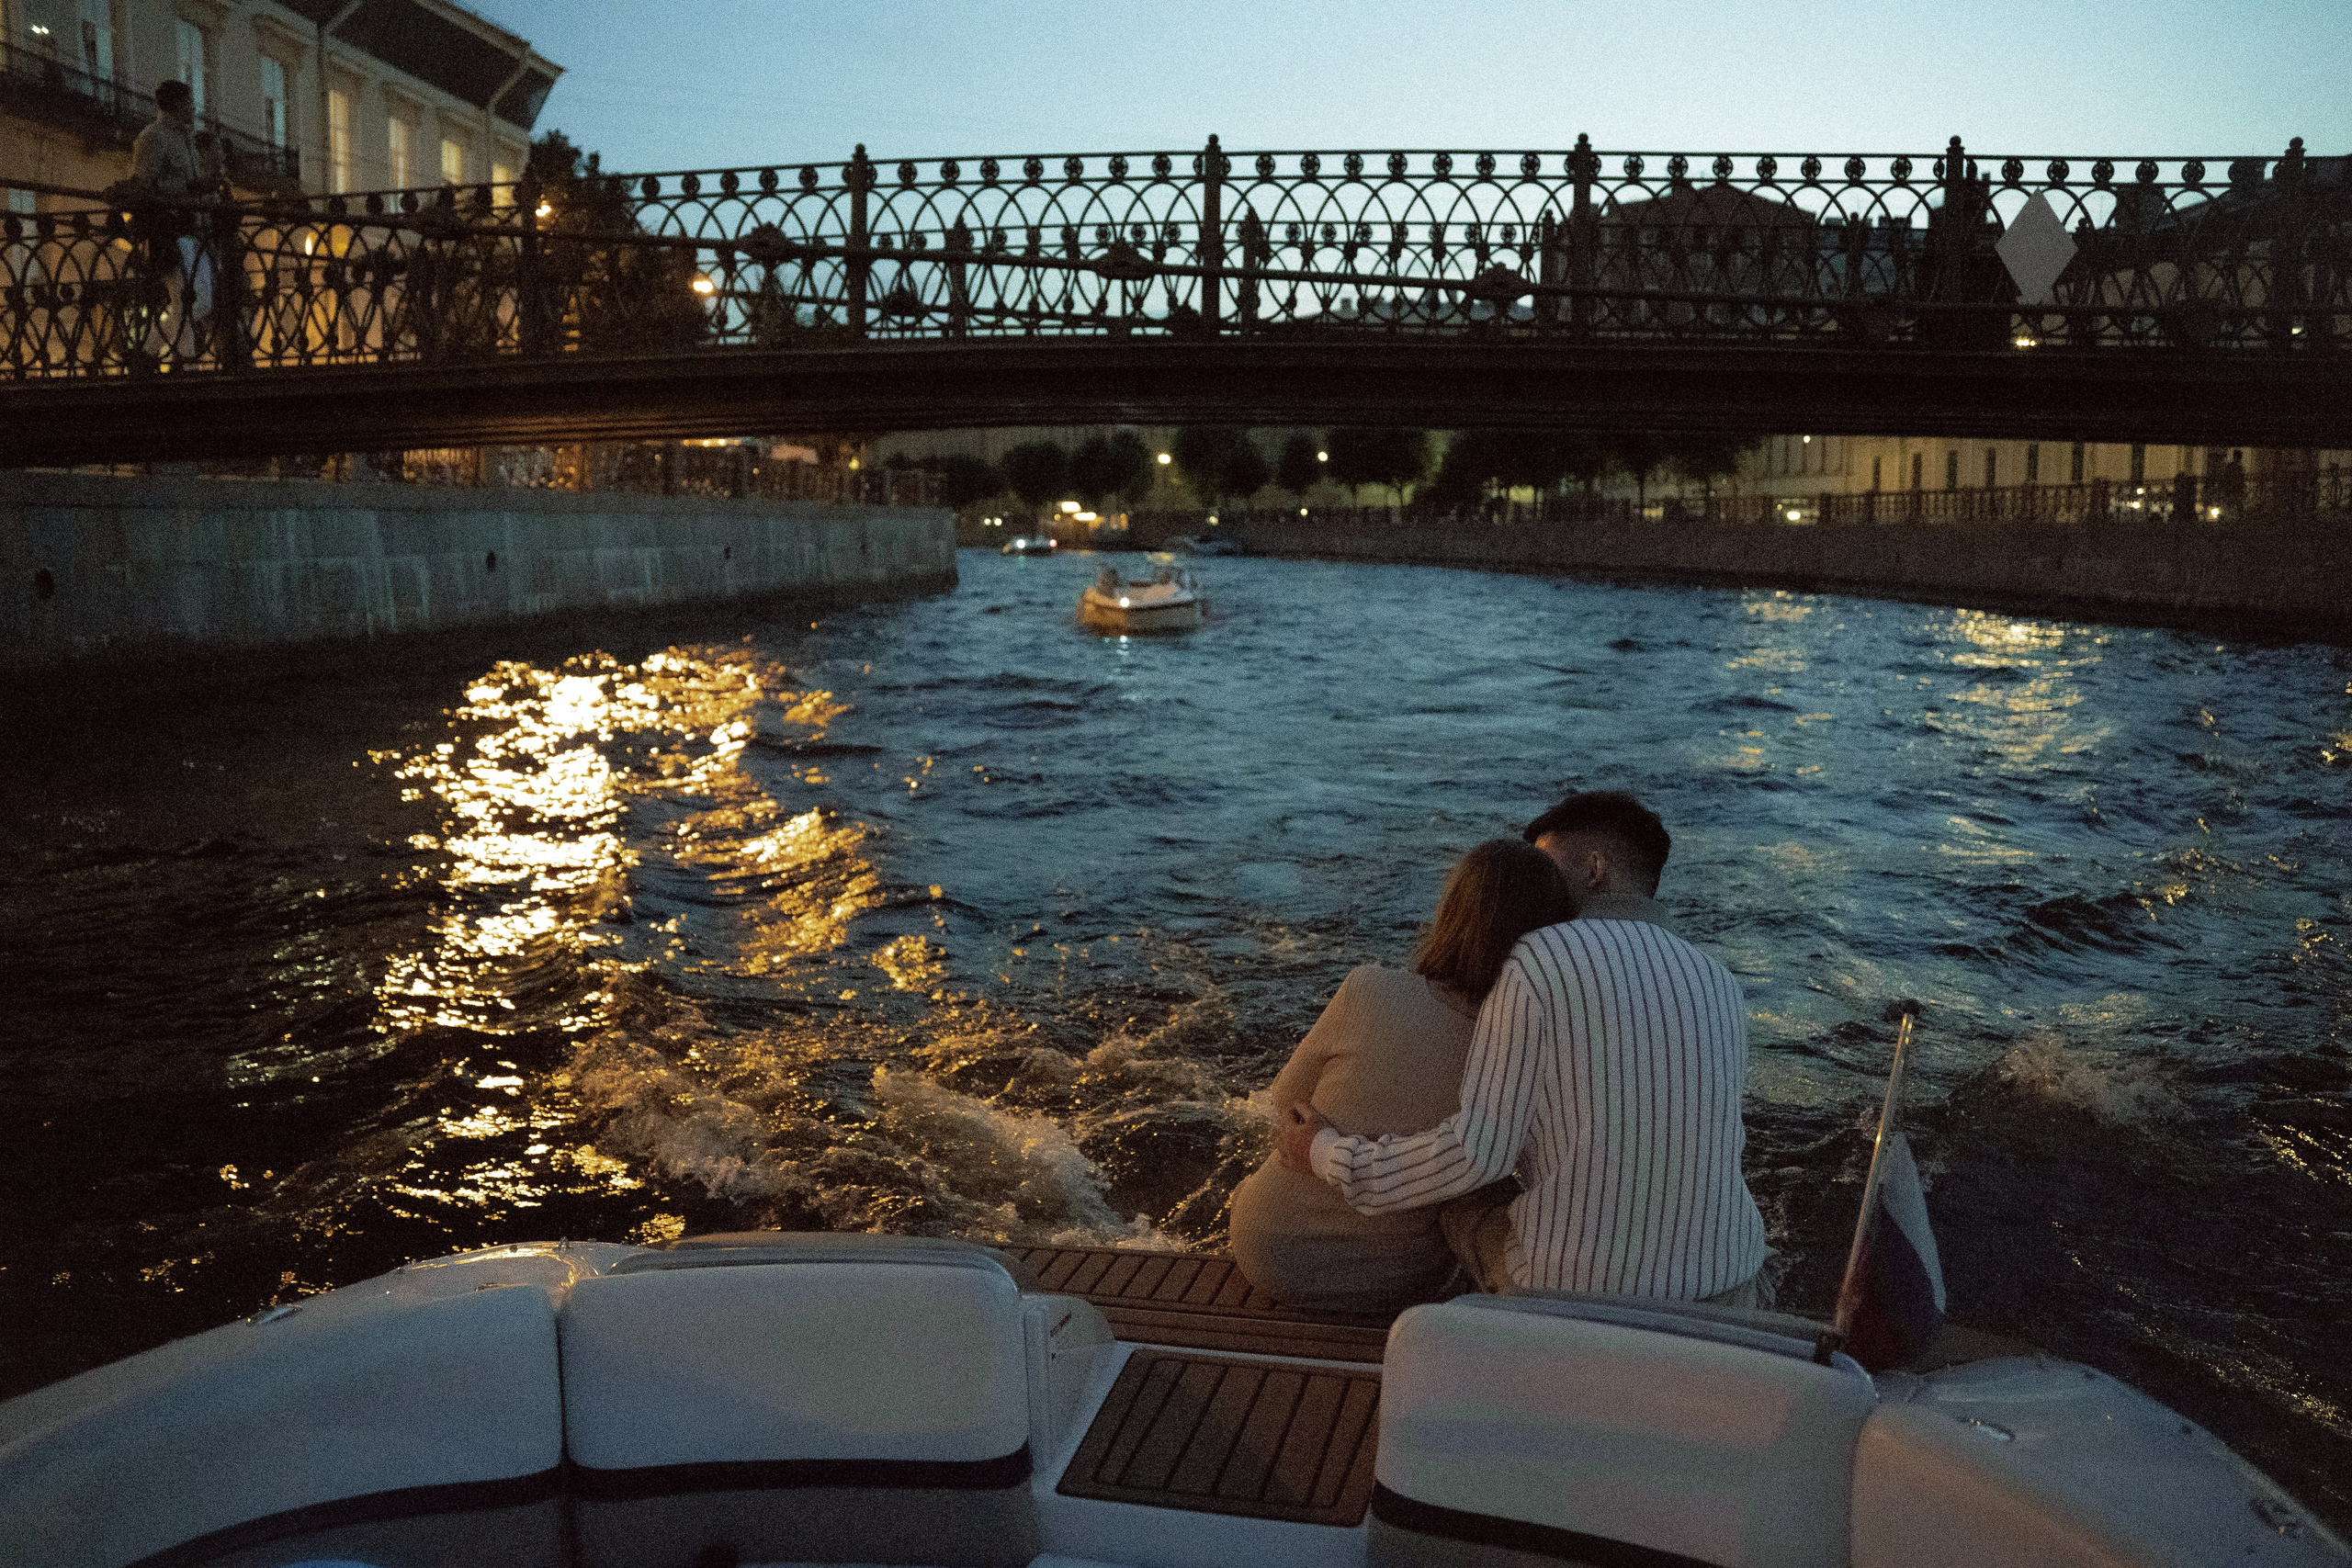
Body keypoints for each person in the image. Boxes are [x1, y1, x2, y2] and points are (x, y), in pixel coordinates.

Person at [1278, 790, 1770, 1306]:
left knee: (1468, 1202)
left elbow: (1477, 1154)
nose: (1531, 884)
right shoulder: (1719, 980)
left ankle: (1474, 1324)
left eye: (1543, 864)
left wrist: (1328, 1153)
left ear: (1595, 870)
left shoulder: (1536, 957)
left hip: (1572, 1291)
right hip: (1727, 1283)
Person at [1229, 840, 1577, 1314]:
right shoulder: (1528, 1047)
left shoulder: (1368, 988)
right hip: (1395, 1281)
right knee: (1488, 1180)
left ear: (1451, 911)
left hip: (1268, 1248)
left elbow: (1287, 1095)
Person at [129, 81, 210, 355]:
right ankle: (186, 362)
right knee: (187, 298)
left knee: (199, 299)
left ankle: (148, 352)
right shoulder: (154, 137)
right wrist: (188, 189)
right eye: (190, 102)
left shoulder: (184, 138)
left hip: (191, 227)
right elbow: (144, 185)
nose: (194, 108)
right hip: (169, 228)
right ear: (177, 105)